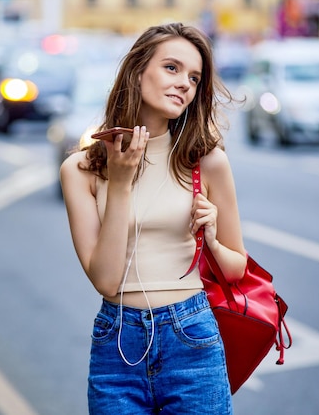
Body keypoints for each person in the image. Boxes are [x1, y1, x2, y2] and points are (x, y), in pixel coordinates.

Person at [60, 23, 247, 414]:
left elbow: (236, 269)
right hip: (117, 343)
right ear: (138, 71)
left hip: (192, 338)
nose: (184, 84)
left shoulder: (207, 162)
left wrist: (211, 240)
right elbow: (106, 279)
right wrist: (122, 181)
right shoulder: (81, 169)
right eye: (172, 68)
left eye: (194, 78)